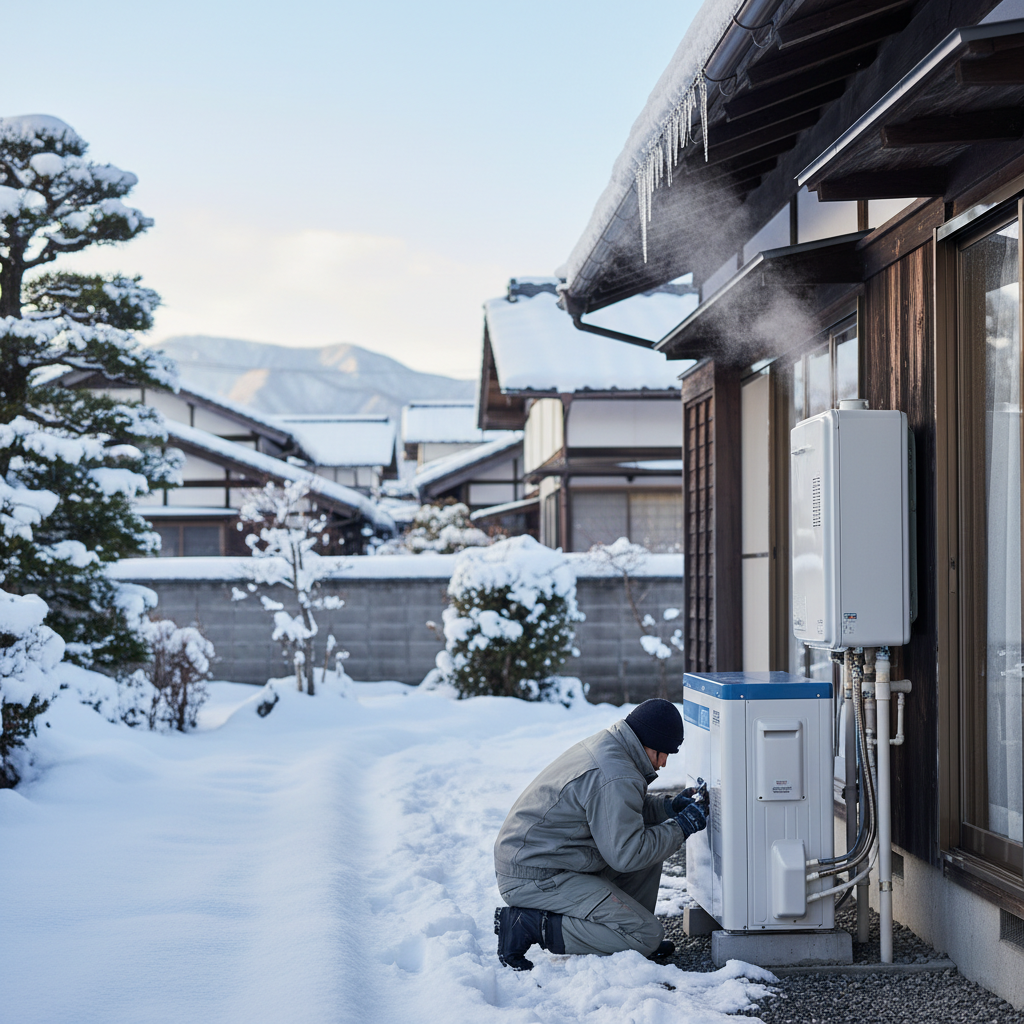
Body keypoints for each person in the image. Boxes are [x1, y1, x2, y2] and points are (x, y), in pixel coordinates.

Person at [493, 697, 708, 971]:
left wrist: (668, 807)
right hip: (534, 876)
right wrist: (682, 827)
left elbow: (620, 811)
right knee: (648, 933)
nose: (664, 763)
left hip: (548, 859)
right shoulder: (616, 773)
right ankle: (528, 926)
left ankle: (623, 938)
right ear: (646, 741)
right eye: (662, 752)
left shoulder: (614, 746)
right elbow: (627, 855)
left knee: (651, 847)